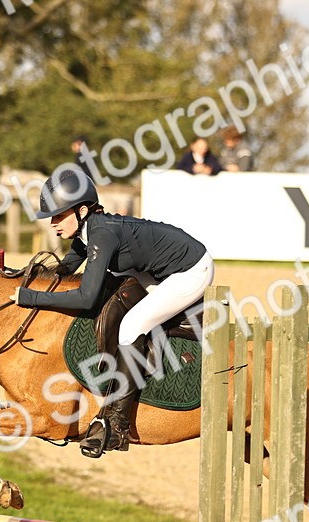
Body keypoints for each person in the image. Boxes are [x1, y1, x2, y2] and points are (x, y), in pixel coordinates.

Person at [11, 169, 215, 458]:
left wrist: (29, 298)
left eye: (58, 216)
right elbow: (65, 269)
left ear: (82, 210)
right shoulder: (87, 231)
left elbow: (85, 297)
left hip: (190, 270)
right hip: (156, 271)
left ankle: (116, 425)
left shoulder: (101, 234)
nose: (53, 224)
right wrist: (21, 277)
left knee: (132, 325)